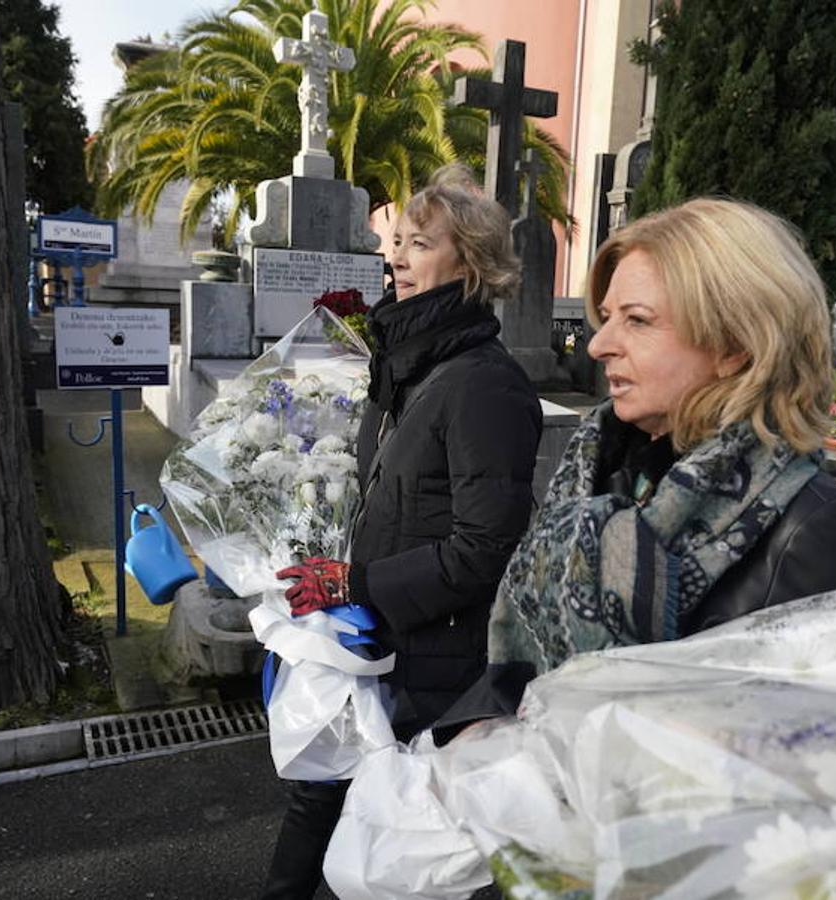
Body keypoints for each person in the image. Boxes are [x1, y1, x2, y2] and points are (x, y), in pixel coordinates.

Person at [439, 197, 836, 730]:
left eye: (637, 320)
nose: (601, 345)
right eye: (607, 319)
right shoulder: (600, 475)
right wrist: (472, 738)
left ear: (735, 343)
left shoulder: (817, 534)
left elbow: (812, 767)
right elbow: (515, 672)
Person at [262, 166, 543, 899]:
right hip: (371, 646)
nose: (396, 258)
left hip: (434, 670)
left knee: (406, 853)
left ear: (471, 264)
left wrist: (356, 583)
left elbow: (487, 546)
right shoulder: (409, 371)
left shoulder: (484, 383)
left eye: (418, 243)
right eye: (396, 243)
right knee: (319, 800)